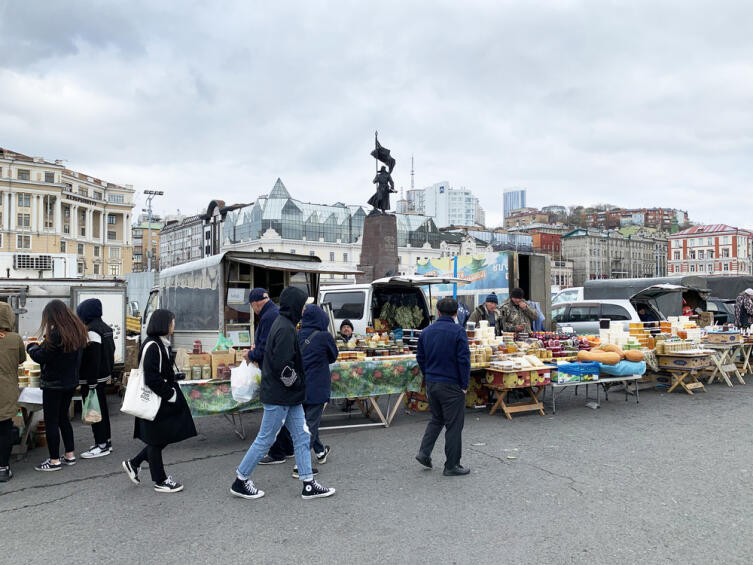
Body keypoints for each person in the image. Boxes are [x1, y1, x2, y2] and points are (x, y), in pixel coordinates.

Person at [230, 286, 335, 501]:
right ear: (294, 305)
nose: (304, 309)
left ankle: (308, 483)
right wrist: (297, 385)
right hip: (281, 395)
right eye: (302, 304)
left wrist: (296, 389)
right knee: (266, 438)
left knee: (302, 436)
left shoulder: (283, 324)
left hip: (286, 396)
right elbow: (284, 368)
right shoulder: (286, 328)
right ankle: (241, 480)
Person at [122, 309, 197, 493]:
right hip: (156, 399)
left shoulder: (160, 343)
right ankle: (160, 480)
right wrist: (170, 394)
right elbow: (151, 378)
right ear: (164, 324)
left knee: (162, 436)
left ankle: (134, 463)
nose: (174, 325)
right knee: (157, 439)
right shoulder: (153, 346)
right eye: (172, 322)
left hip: (161, 399)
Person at [27, 300, 88, 472]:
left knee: (51, 421)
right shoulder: (77, 331)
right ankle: (69, 454)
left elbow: (42, 356)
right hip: (69, 382)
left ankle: (54, 460)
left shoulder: (56, 334)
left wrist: (31, 348)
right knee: (63, 419)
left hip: (53, 384)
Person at [415, 297, 470, 476]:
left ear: (438, 312)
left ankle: (424, 452)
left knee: (437, 418)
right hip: (451, 384)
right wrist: (464, 385)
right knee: (454, 425)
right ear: (456, 314)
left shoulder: (426, 332)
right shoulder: (458, 331)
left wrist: (428, 375)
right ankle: (452, 465)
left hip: (432, 382)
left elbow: (420, 358)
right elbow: (463, 360)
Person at [245, 288, 295, 465]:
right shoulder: (275, 313)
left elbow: (266, 347)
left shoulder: (268, 317)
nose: (253, 309)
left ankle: (277, 453)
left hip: (273, 372)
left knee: (274, 413)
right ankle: (288, 449)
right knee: (285, 412)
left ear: (256, 303)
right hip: (282, 371)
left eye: (252, 306)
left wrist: (250, 355)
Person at [292, 303, 339, 477]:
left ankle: (320, 452)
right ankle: (300, 465)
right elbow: (333, 356)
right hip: (318, 386)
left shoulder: (297, 334)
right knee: (310, 424)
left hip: (300, 386)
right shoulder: (324, 336)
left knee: (309, 422)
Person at [76, 299, 116, 459]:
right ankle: (106, 441)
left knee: (94, 411)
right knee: (102, 410)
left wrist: (91, 382)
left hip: (93, 379)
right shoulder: (105, 327)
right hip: (103, 376)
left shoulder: (91, 330)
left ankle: (101, 445)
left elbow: (93, 358)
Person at [0, 303, 27, 482]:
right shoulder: (14, 338)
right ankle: (3, 468)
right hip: (6, 389)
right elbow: (22, 359)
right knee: (4, 429)